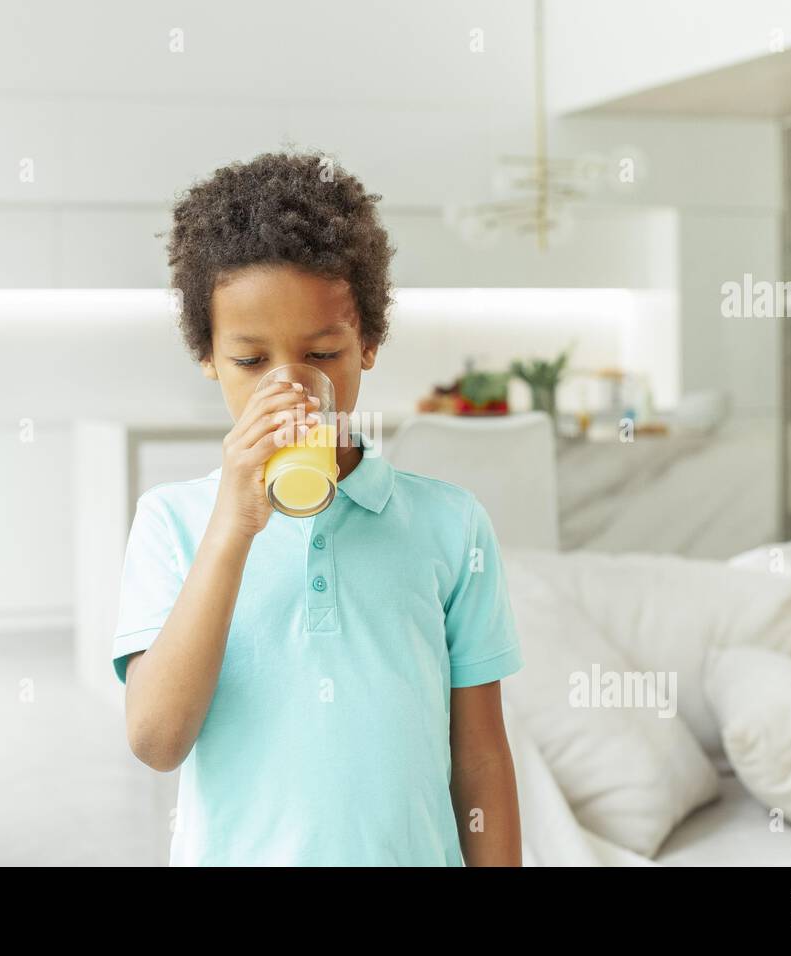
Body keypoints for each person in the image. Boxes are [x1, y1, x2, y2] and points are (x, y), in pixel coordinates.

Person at [113, 150, 524, 865]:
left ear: (368, 342)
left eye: (323, 352)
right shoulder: (172, 525)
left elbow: (482, 758)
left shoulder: (452, 527)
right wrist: (232, 529)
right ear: (206, 353)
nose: (290, 389)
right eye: (250, 361)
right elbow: (156, 740)